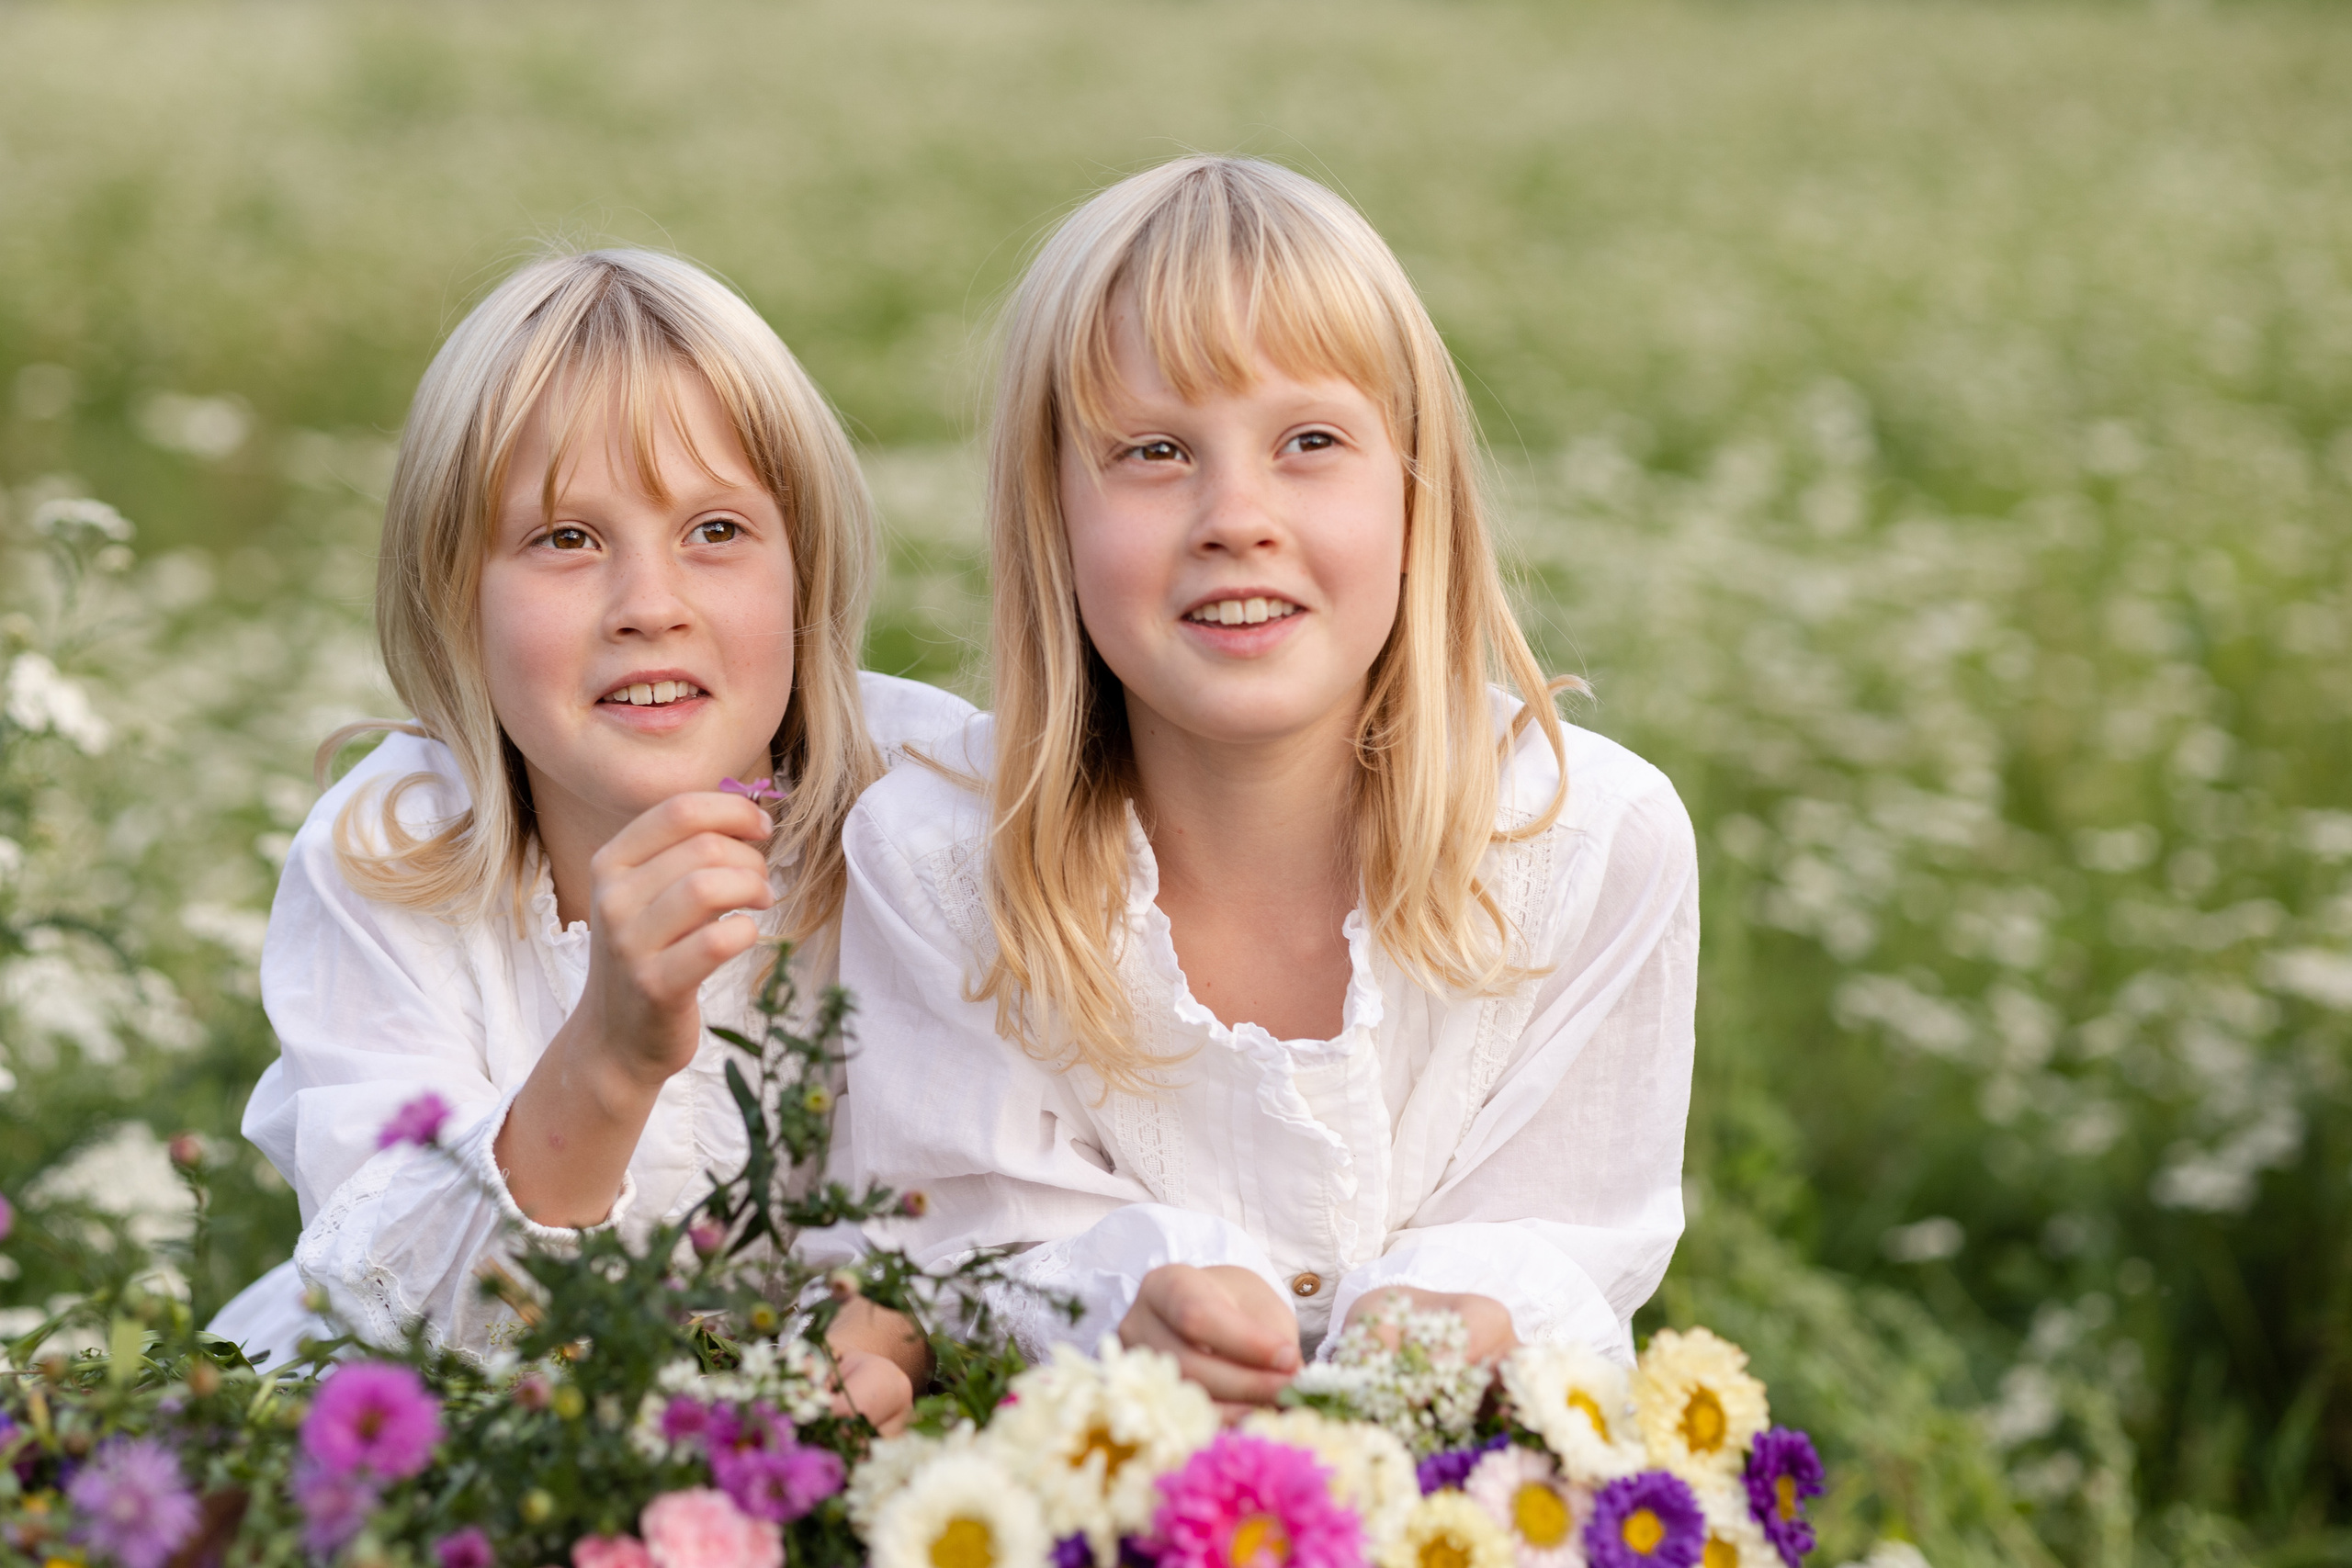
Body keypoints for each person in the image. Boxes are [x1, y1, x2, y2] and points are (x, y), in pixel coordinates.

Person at [838, 156, 1698, 1412]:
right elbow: (961, 1241)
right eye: (1151, 450)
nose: (1235, 514)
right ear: (1050, 518)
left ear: (1417, 490)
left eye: (1310, 440)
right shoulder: (938, 853)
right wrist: (1121, 1304)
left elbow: (1582, 1230)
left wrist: (1463, 1313)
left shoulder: (1588, 840)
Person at [209, 248, 967, 1430]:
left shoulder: (927, 802)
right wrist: (608, 1054)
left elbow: (1002, 1166)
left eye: (716, 528)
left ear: (805, 572)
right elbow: (409, 1321)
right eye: (565, 539)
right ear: (453, 595)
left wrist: (884, 1333)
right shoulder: (394, 851)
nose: (648, 603)